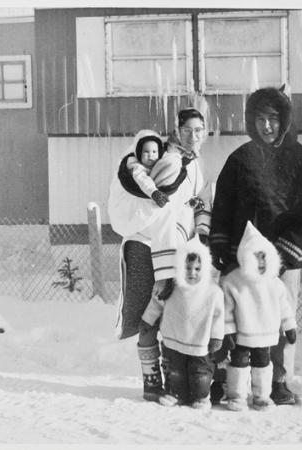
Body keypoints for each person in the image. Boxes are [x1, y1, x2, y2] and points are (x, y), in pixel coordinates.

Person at [210, 86, 302, 405]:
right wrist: (220, 245)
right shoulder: (239, 159)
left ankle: (279, 382)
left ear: (283, 120)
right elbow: (223, 206)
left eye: (273, 118)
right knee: (230, 317)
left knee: (279, 320)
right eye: (260, 119)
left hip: (282, 260)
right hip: (237, 259)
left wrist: (285, 254)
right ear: (251, 122)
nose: (267, 126)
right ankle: (222, 379)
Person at [108, 109, 213, 402]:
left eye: (199, 130)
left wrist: (201, 230)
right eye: (188, 130)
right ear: (177, 131)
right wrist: (166, 273)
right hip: (149, 249)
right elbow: (163, 215)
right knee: (149, 316)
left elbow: (195, 202)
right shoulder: (170, 161)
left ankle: (173, 383)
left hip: (175, 249)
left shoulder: (193, 163)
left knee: (171, 316)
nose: (194, 136)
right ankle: (152, 382)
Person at [140, 236, 224, 409]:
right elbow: (157, 303)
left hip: (199, 343)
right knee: (175, 372)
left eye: (197, 268)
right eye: (187, 267)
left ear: (205, 267)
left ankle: (201, 396)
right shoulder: (172, 286)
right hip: (174, 340)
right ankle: (177, 394)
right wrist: (148, 320)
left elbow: (218, 315)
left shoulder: (213, 292)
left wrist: (216, 337)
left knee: (199, 375)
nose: (192, 273)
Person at [221, 221, 296, 411]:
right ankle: (237, 396)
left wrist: (289, 326)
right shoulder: (233, 281)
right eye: (256, 257)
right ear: (245, 257)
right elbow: (227, 310)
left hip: (265, 336)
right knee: (238, 364)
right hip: (241, 335)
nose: (261, 262)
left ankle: (261, 396)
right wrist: (228, 332)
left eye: (264, 257)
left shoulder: (274, 282)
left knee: (263, 364)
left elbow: (284, 307)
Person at [123, 132, 185, 208]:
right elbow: (143, 180)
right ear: (139, 153)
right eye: (146, 152)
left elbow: (169, 155)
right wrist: (153, 192)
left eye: (154, 152)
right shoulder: (137, 167)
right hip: (143, 197)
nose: (150, 155)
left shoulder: (160, 160)